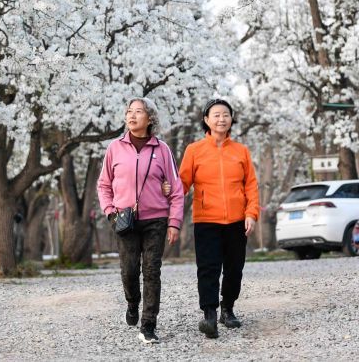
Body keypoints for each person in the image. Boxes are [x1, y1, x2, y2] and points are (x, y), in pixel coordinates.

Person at [97, 97, 184, 345]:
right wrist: (110, 211)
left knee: (152, 271)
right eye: (129, 111)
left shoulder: (162, 149)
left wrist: (174, 222)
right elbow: (104, 184)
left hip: (156, 219)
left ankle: (148, 325)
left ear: (150, 118)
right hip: (124, 219)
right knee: (129, 270)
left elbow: (175, 189)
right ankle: (132, 304)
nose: (132, 116)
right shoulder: (115, 147)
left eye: (138, 112)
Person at [179, 98, 260, 339]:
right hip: (206, 220)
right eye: (216, 115)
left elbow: (251, 186)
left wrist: (251, 214)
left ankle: (228, 308)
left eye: (226, 114)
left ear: (231, 119)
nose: (221, 119)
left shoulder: (241, 151)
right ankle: (210, 315)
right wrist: (165, 194)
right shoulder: (194, 150)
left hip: (237, 220)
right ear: (206, 120)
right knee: (208, 268)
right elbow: (181, 183)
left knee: (235, 268)